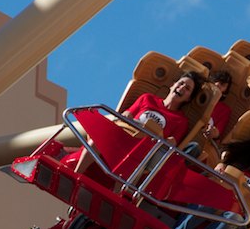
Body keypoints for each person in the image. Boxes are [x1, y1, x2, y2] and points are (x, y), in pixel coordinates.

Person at [72, 71, 202, 174]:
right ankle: (76, 173)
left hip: (142, 151)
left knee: (134, 162)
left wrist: (170, 141)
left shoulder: (181, 121)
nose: (182, 88)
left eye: (187, 88)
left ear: (188, 98)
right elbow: (126, 116)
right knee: (98, 139)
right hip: (123, 137)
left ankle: (118, 194)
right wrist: (127, 115)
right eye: (181, 84)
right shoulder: (147, 98)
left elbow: (171, 143)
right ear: (173, 85)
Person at [202, 70, 232, 142]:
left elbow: (218, 132)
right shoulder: (198, 95)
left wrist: (213, 132)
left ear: (225, 91)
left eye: (222, 84)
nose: (217, 84)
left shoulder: (225, 110)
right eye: (215, 81)